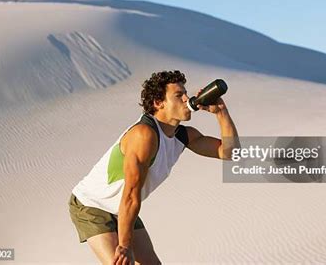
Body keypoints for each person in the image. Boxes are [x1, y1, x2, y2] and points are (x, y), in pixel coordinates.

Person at [68, 70, 239, 264]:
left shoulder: (183, 136)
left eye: (185, 93)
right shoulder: (144, 135)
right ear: (159, 103)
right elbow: (131, 194)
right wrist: (124, 246)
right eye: (178, 95)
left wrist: (221, 113)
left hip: (121, 209)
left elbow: (231, 153)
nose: (187, 98)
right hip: (92, 205)